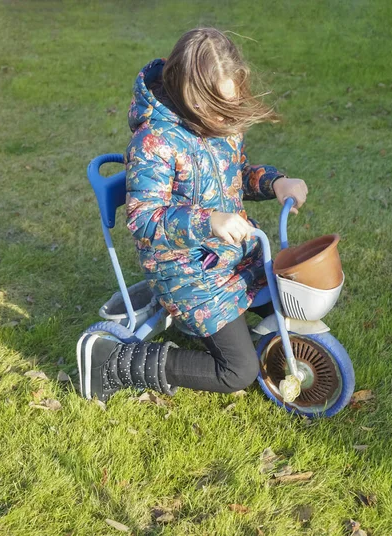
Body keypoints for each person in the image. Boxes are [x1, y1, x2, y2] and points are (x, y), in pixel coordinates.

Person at [77, 28, 308, 401]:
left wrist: (275, 183)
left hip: (230, 255)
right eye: (214, 106)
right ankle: (115, 360)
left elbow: (237, 175)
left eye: (228, 105)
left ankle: (244, 333)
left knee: (280, 298)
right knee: (238, 370)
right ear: (188, 92)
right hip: (183, 269)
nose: (223, 116)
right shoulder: (155, 141)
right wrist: (209, 221)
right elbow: (145, 219)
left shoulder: (221, 124)